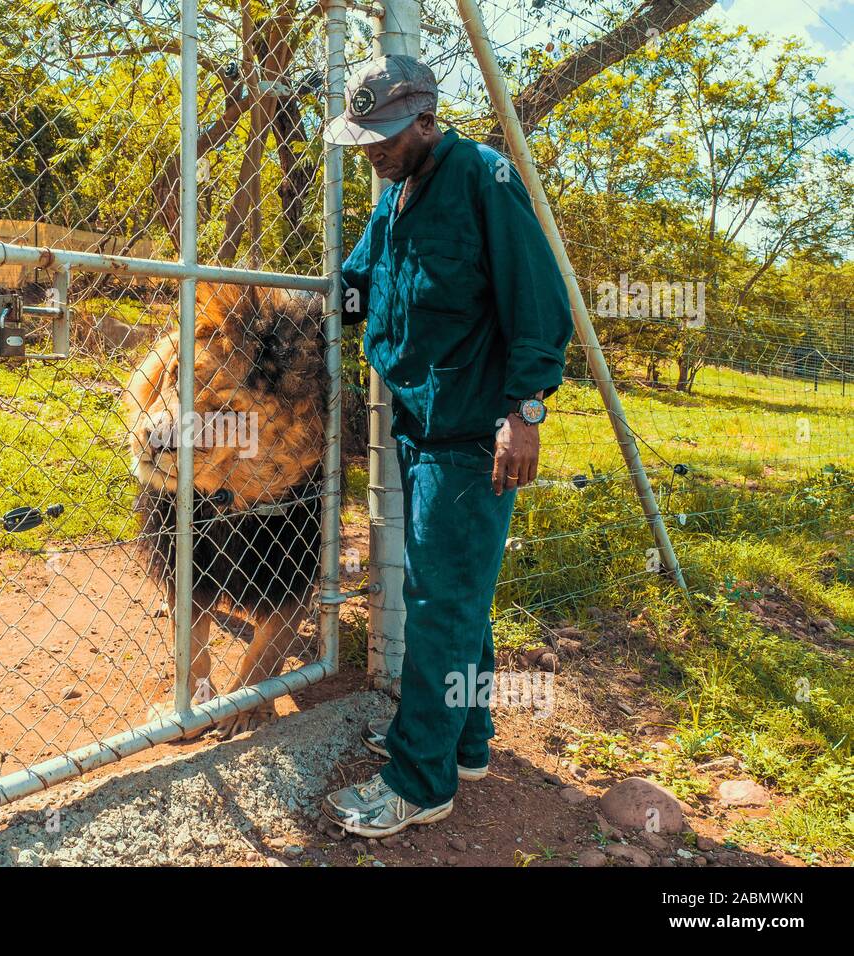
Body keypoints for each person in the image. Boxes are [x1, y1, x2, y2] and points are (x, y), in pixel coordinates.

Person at [320, 54, 574, 837]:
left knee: (438, 604)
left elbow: (540, 301)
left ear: (427, 121)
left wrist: (524, 411)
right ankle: (464, 743)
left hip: (473, 433)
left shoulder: (483, 178)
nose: (373, 150)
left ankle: (418, 782)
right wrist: (323, 310)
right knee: (460, 595)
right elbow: (361, 279)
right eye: (364, 137)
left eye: (387, 135)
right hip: (421, 421)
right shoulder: (396, 195)